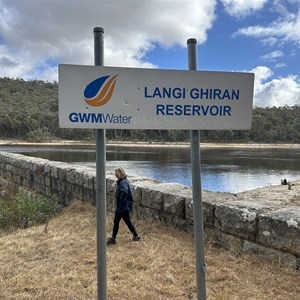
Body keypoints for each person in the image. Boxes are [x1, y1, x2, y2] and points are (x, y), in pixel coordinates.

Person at [107, 167, 140, 245]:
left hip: (122, 207)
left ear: (119, 174)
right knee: (120, 222)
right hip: (123, 206)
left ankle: (114, 239)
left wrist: (121, 201)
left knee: (122, 222)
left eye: (116, 175)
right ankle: (135, 236)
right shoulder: (125, 181)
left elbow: (124, 192)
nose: (115, 176)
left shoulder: (123, 183)